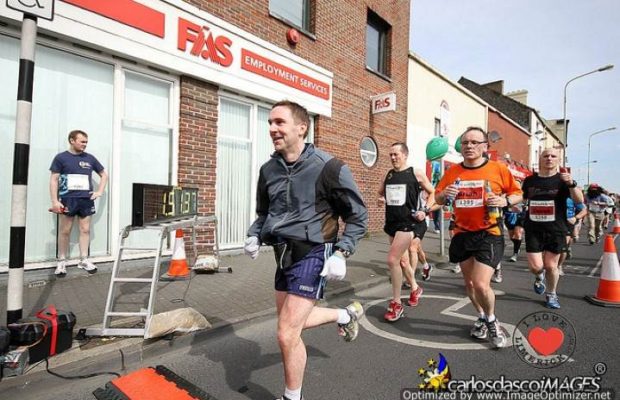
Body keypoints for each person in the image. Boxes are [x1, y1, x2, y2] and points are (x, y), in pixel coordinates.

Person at [243, 100, 368, 400]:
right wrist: (254, 235)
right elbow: (264, 213)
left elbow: (358, 216)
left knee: (286, 332)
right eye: (270, 122)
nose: (272, 128)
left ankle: (292, 397)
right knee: (291, 327)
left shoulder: (329, 167)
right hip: (282, 254)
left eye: (279, 122)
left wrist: (342, 252)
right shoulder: (268, 169)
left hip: (314, 252)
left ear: (302, 128)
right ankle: (344, 315)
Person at [435, 127, 522, 348]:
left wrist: (505, 201)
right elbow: (438, 196)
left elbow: (518, 193)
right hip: (462, 233)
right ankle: (482, 316)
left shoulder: (498, 169)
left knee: (482, 284)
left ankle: (492, 321)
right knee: (470, 284)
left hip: (489, 232)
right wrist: (445, 195)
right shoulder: (453, 171)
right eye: (465, 143)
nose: (469, 146)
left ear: (484, 146)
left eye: (474, 142)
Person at [378, 143, 435, 322]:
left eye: (396, 154)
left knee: (392, 260)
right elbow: (381, 193)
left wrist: (424, 210)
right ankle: (415, 288)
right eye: (391, 155)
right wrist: (381, 199)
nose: (393, 158)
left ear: (405, 155)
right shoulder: (389, 174)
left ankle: (396, 303)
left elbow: (433, 192)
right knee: (402, 262)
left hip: (408, 224)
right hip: (392, 224)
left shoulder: (415, 173)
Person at [521, 148, 583, 309]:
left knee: (551, 265)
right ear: (540, 159)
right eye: (545, 156)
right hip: (533, 228)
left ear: (558, 160)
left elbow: (579, 200)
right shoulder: (529, 181)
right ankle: (539, 276)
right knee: (536, 267)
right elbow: (522, 199)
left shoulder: (564, 181)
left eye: (553, 156)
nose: (549, 158)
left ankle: (552, 294)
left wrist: (572, 184)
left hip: (556, 228)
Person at [49, 129, 108, 277]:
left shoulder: (90, 158)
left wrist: (99, 192)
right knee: (65, 231)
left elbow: (104, 175)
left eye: (86, 142)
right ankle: (62, 261)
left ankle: (84, 259)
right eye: (82, 141)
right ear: (72, 140)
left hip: (86, 200)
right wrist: (55, 201)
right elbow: (54, 180)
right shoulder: (61, 158)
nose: (85, 145)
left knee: (85, 230)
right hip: (68, 199)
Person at [557, 197, 587, 275]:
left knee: (563, 246)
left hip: (567, 223)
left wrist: (576, 218)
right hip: (552, 223)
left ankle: (559, 266)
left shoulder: (572, 198)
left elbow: (584, 210)